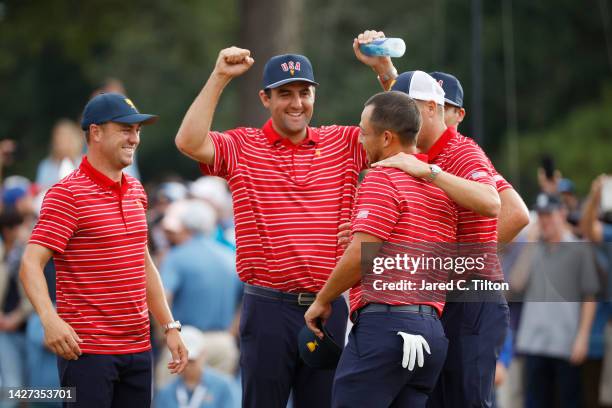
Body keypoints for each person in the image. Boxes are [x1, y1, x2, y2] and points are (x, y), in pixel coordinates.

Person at [175, 47, 369, 408]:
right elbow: (188, 141)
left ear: (314, 96)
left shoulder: (343, 142)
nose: (296, 103)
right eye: (285, 94)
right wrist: (220, 77)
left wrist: (384, 69)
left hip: (327, 307)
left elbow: (404, 136)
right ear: (265, 98)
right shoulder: (243, 145)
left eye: (303, 93)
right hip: (268, 309)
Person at [19, 92, 188, 408]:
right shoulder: (66, 194)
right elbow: (30, 263)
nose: (134, 138)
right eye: (125, 129)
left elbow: (143, 262)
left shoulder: (136, 190)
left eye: (137, 130)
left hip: (138, 349)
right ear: (95, 132)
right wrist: (49, 318)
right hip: (88, 352)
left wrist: (169, 326)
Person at [305, 91, 456, 407]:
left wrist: (322, 300)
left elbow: (364, 251)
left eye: (363, 131)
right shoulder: (442, 186)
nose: (359, 139)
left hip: (386, 330)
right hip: (430, 333)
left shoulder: (383, 176)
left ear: (387, 137)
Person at [511, 193, 598, 408]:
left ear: (562, 214)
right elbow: (515, 284)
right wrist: (530, 245)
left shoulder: (579, 250)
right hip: (533, 342)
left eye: (549, 215)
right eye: (541, 216)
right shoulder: (533, 248)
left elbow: (590, 295)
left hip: (565, 343)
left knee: (568, 401)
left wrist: (583, 337)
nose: (544, 221)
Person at [156, 199, 241, 383]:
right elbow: (245, 300)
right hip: (222, 343)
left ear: (185, 224)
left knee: (171, 400)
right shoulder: (229, 256)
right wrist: (231, 333)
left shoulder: (177, 256)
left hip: (184, 342)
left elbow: (163, 296)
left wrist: (164, 334)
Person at [155, 325, 240, 408]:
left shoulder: (224, 387)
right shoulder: (165, 392)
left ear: (203, 354)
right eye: (182, 361)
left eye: (191, 360)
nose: (187, 366)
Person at [35, 119, 84, 190]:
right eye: (58, 137)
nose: (61, 142)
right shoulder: (46, 165)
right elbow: (40, 190)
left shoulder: (83, 163)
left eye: (66, 138)